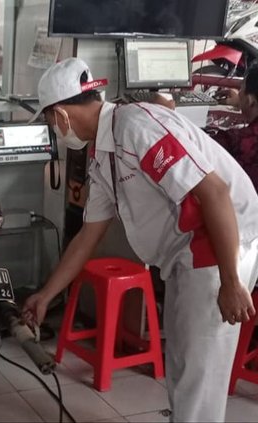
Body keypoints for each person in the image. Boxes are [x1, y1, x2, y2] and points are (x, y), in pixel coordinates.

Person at [23, 57, 258, 422]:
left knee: (199, 377)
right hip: (189, 251)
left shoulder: (135, 125)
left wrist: (230, 282)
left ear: (62, 115)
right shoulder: (103, 155)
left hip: (219, 243)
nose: (54, 129)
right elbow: (89, 235)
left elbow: (214, 192)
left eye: (51, 120)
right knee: (184, 364)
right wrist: (45, 295)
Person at [208, 64, 258, 192]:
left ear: (251, 101)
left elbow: (198, 145)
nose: (239, 92)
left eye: (241, 88)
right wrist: (241, 102)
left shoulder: (236, 140)